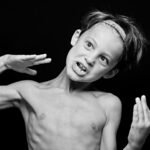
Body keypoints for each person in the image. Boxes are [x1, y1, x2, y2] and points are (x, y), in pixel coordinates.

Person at [0, 9, 150, 150]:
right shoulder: (29, 92)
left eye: (103, 59)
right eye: (89, 44)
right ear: (76, 37)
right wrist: (4, 62)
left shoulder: (108, 104)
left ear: (110, 73)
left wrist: (134, 146)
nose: (90, 59)